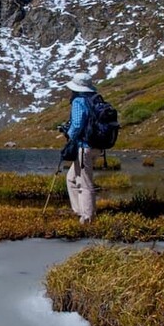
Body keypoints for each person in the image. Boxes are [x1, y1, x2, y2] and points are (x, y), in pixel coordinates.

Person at [60, 72, 97, 224]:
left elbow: (76, 125)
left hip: (84, 146)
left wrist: (68, 134)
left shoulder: (79, 101)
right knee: (71, 178)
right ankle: (79, 211)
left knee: (85, 183)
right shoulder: (94, 100)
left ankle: (87, 218)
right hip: (96, 146)